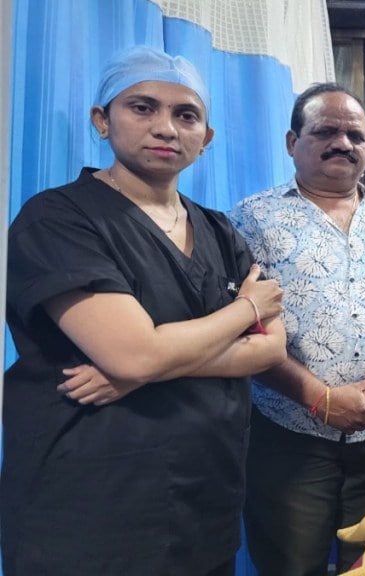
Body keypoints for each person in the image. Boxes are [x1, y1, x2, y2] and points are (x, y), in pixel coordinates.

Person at [2, 46, 287, 576]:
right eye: (142, 107)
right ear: (101, 120)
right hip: (90, 506)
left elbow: (270, 349)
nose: (165, 128)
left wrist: (149, 367)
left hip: (206, 500)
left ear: (206, 138)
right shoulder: (59, 219)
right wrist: (247, 306)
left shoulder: (219, 230)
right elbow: (135, 355)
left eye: (186, 115)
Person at [230, 83, 365, 575]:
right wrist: (320, 399)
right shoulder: (250, 220)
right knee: (290, 562)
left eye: (356, 136)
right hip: (289, 435)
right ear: (292, 142)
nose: (343, 144)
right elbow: (237, 327)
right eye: (326, 131)